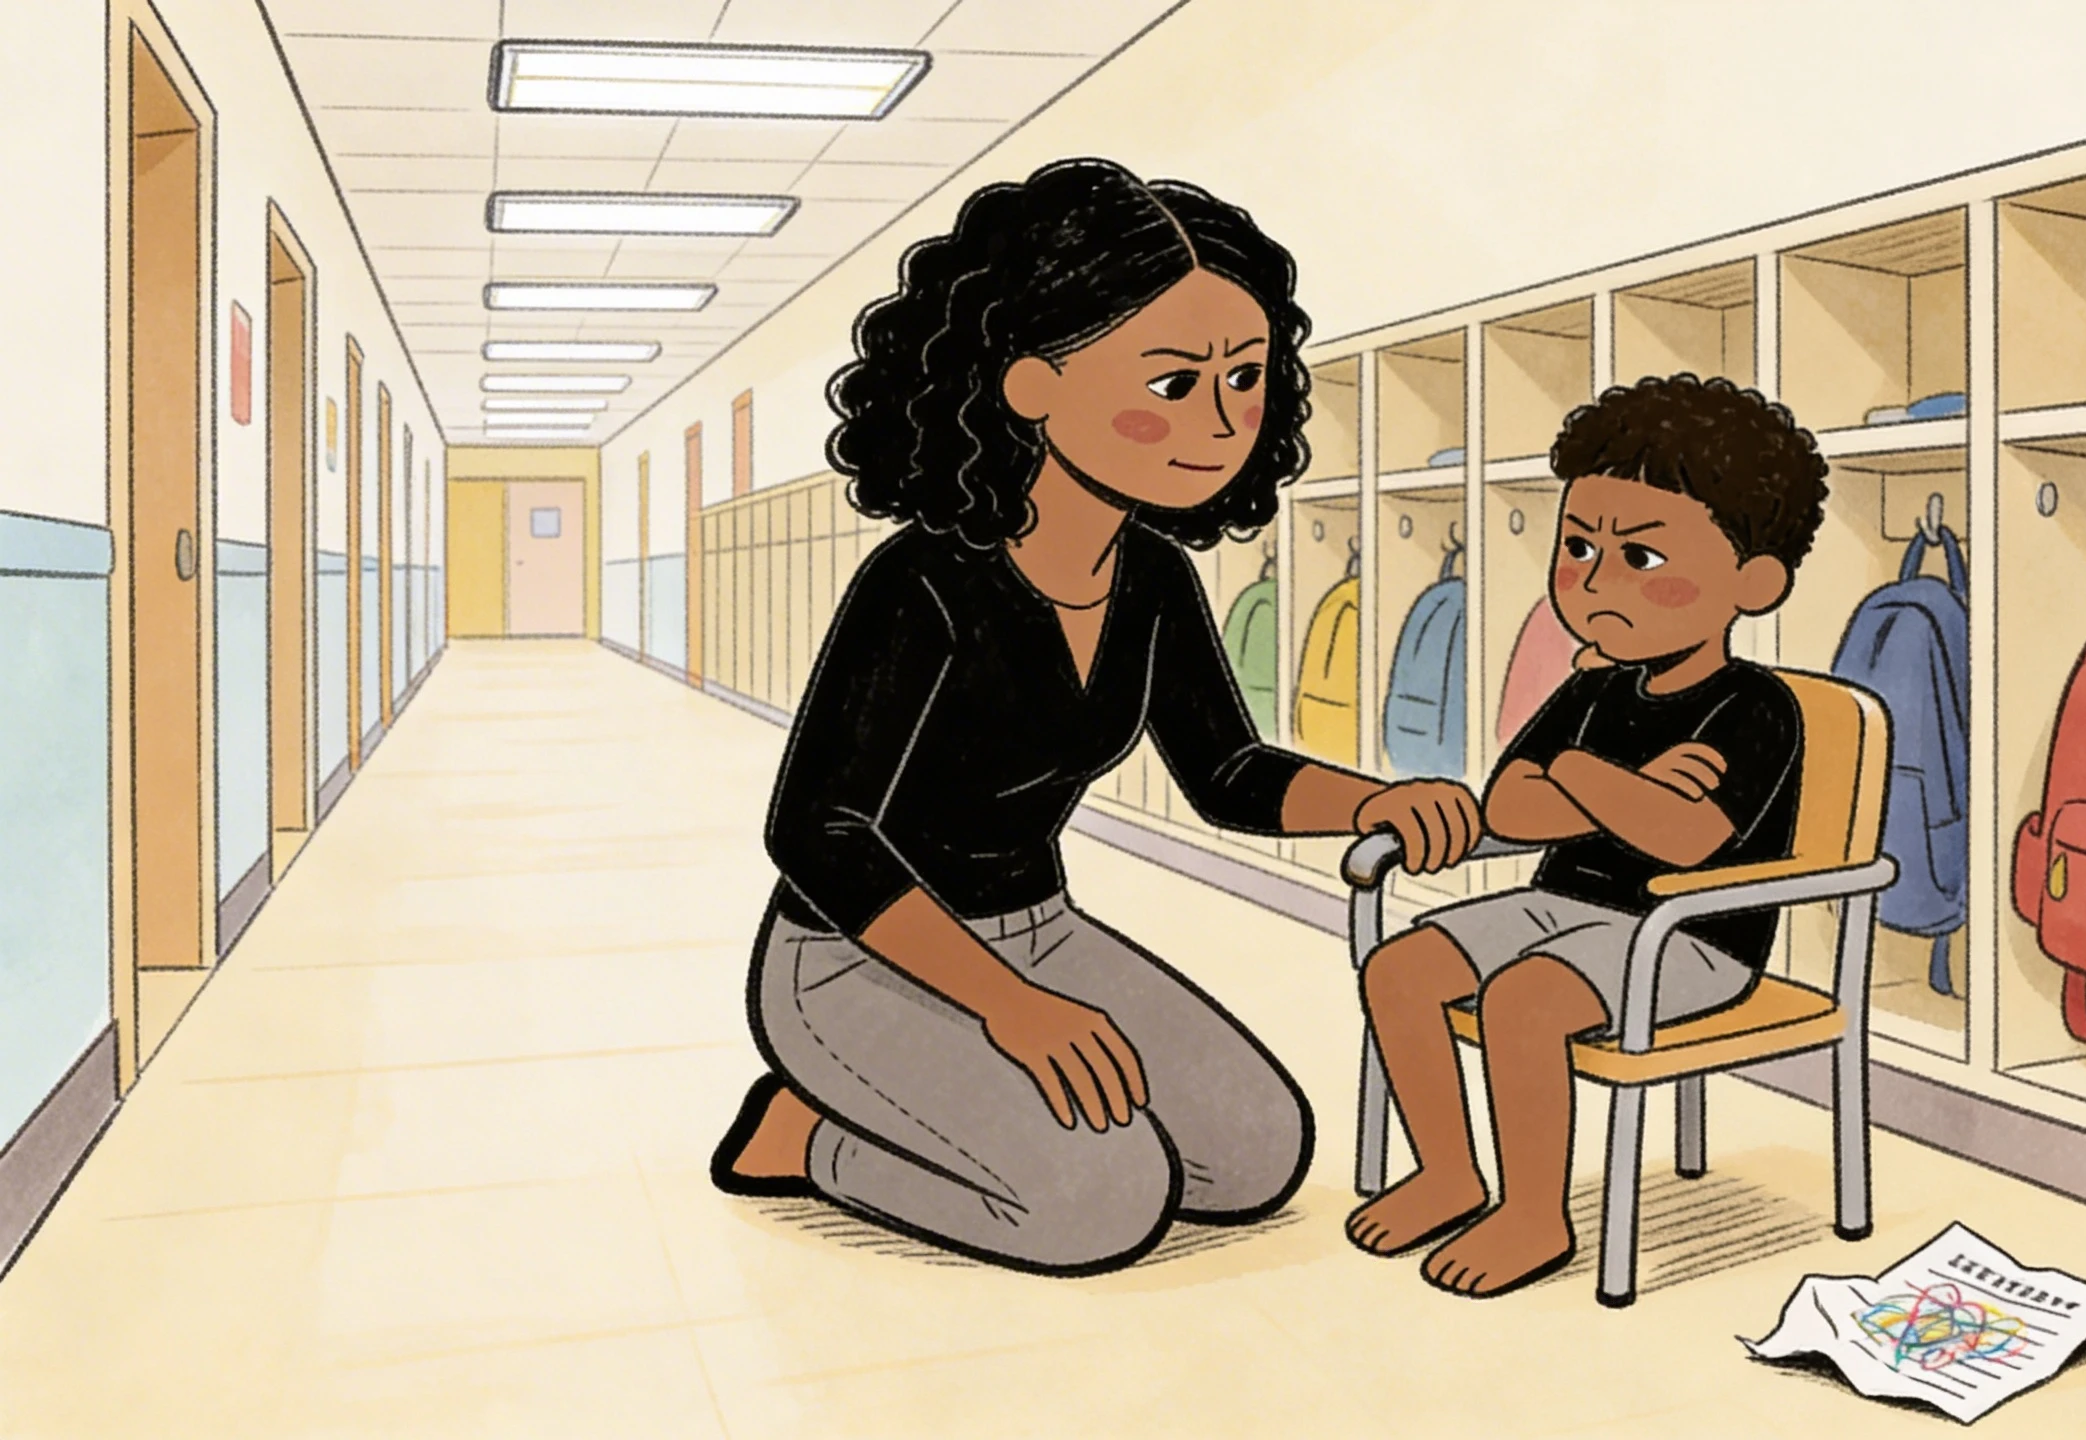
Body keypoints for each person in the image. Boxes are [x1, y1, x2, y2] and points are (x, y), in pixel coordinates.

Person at [708, 158, 1482, 1275]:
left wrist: (1380, 799)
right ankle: (804, 1137)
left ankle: (965, 1102)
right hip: (851, 961)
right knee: (1101, 1205)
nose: (1220, 422)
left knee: (1256, 1156)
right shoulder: (923, 582)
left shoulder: (1153, 575)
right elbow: (817, 833)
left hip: (1044, 932)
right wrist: (1010, 1008)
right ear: (1031, 383)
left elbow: (1228, 774)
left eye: (1245, 378)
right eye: (1173, 382)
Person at [1344, 374, 1829, 1297]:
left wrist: (1581, 777)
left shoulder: (1754, 707)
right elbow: (1509, 809)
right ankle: (1450, 1172)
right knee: (1398, 970)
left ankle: (1535, 1216)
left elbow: (1686, 845)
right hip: (1561, 904)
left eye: (1640, 557)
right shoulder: (1591, 688)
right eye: (1577, 547)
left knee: (1524, 1002)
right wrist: (1618, 790)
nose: (1595, 579)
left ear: (1753, 583)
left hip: (1690, 937)